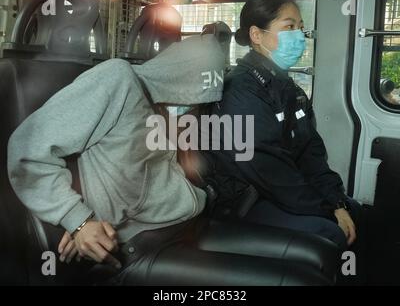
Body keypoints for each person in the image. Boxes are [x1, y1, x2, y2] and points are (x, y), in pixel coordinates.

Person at [7, 34, 336, 286]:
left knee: (319, 255)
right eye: (188, 103)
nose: (189, 113)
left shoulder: (168, 114)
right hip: (138, 248)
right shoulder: (115, 80)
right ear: (175, 80)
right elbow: (27, 150)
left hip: (187, 225)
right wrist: (77, 219)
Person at [204, 0, 365, 255]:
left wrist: (337, 201)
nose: (299, 36)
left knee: (354, 210)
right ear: (257, 35)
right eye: (289, 27)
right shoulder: (241, 89)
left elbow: (311, 154)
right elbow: (266, 166)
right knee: (330, 231)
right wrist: (326, 210)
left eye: (301, 28)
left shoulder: (289, 88)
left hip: (281, 190)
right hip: (248, 199)